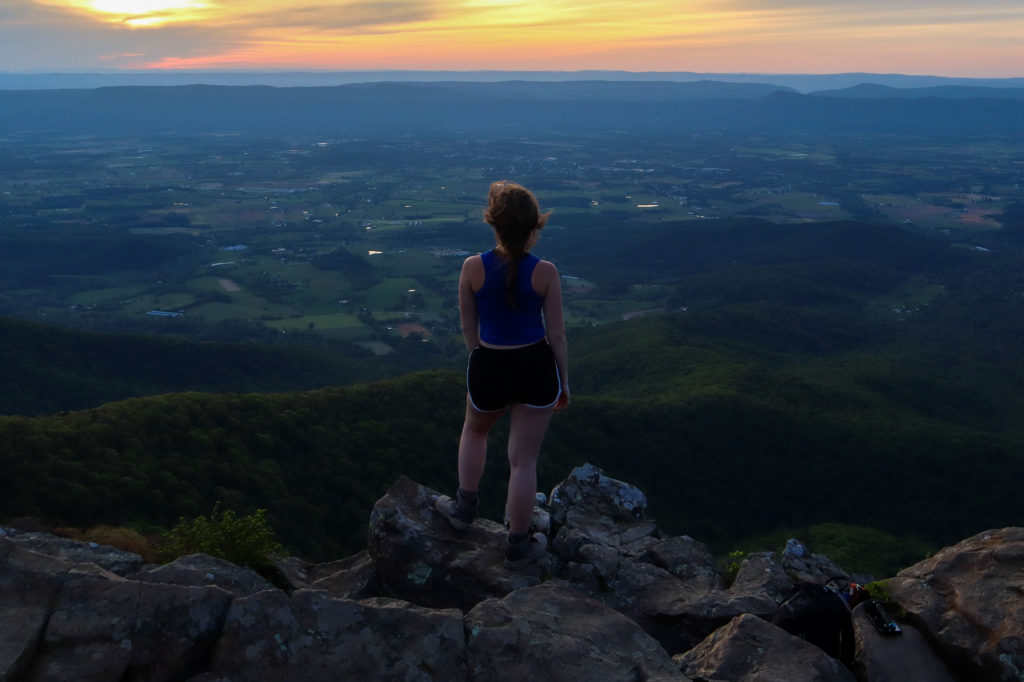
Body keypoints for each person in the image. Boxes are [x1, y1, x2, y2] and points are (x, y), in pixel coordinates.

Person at [435, 180, 570, 566]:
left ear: (493, 224)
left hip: (489, 362)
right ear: (533, 228)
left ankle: (463, 510)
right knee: (523, 461)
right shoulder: (546, 272)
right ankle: (517, 543)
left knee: (475, 430)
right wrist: (564, 382)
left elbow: (468, 328)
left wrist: (481, 358)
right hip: (535, 366)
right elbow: (556, 334)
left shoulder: (472, 267)